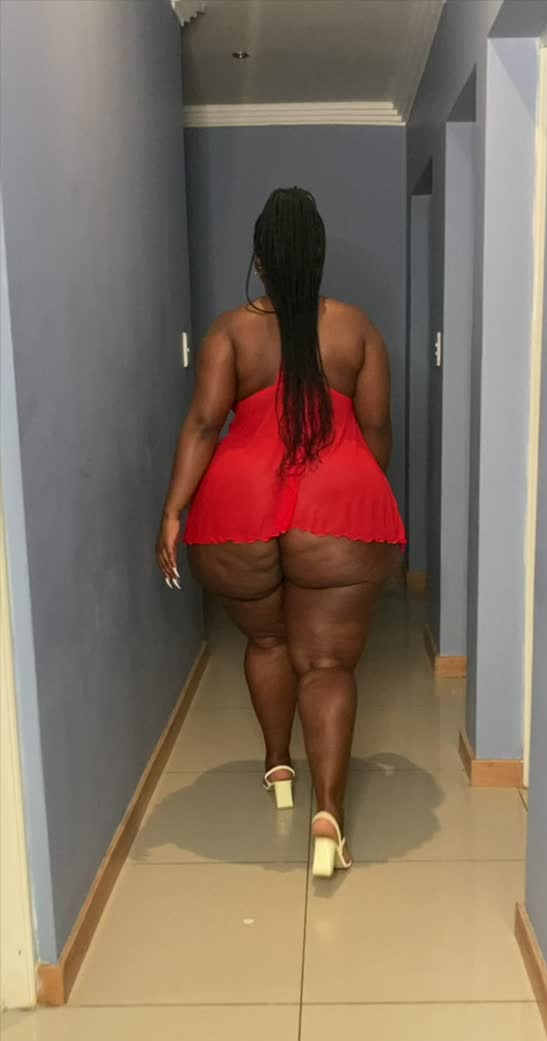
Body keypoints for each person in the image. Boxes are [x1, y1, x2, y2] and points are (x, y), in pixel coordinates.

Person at [156, 187, 405, 878]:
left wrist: (173, 511)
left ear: (259, 260)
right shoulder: (356, 330)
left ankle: (278, 767)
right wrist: (354, 487)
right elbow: (377, 429)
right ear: (317, 255)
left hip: (236, 509)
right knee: (326, 665)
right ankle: (330, 816)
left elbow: (203, 425)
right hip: (339, 504)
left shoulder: (230, 333)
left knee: (267, 640)